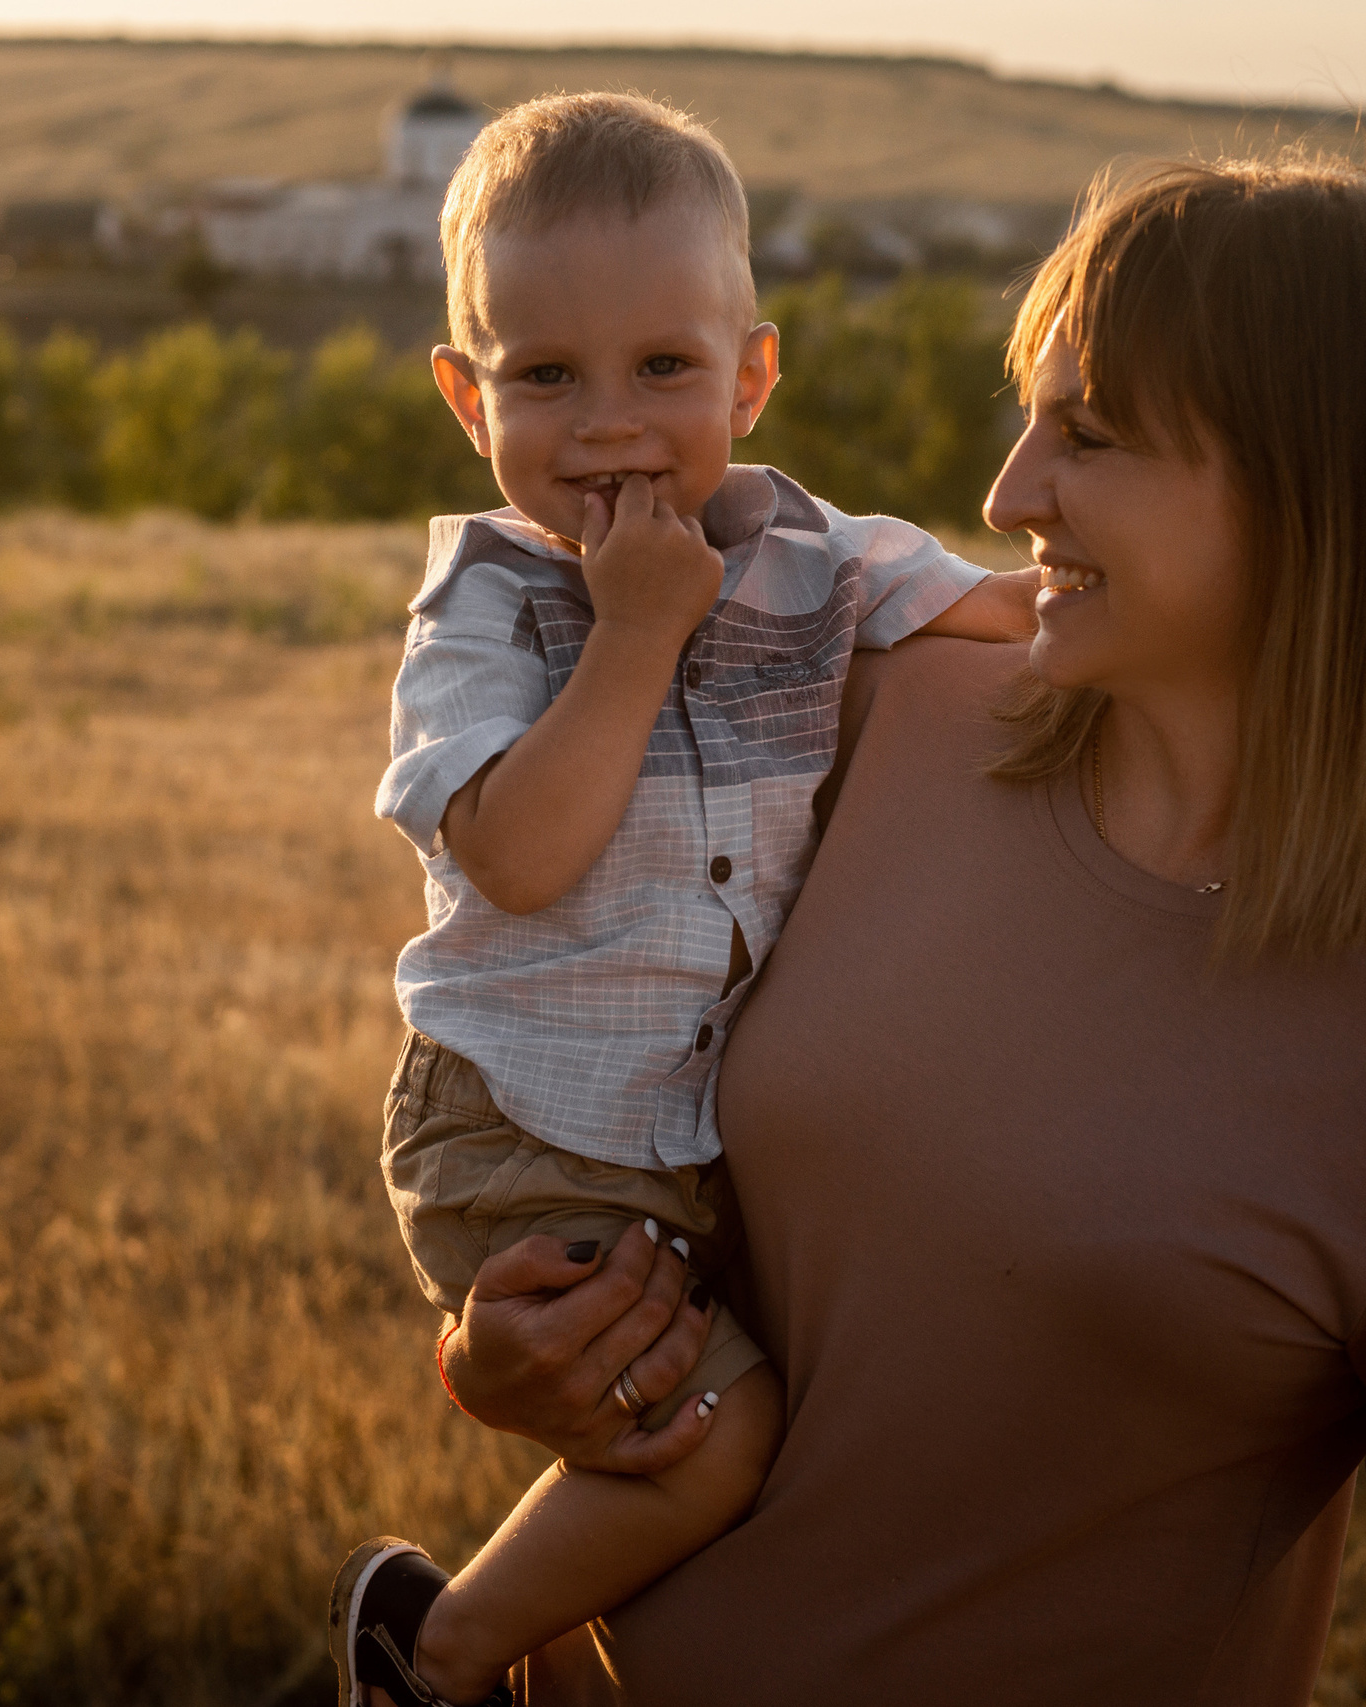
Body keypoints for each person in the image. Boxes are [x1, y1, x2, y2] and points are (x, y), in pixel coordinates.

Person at [433, 159, 1366, 1705]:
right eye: (1033, 418)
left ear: (1329, 486)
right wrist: (521, 1348)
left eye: (1091, 437)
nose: (1011, 496)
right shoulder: (878, 718)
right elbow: (633, 1117)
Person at [332, 92, 1037, 1707]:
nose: (608, 427)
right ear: (466, 394)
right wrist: (636, 632)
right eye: (545, 376)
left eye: (665, 368)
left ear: (753, 373)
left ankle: (534, 1681)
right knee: (715, 1444)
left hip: (690, 1137)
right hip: (521, 1120)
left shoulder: (816, 556)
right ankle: (422, 1654)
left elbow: (1004, 616)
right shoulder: (488, 609)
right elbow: (513, 853)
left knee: (671, 1464)